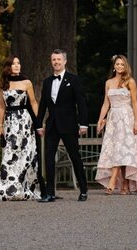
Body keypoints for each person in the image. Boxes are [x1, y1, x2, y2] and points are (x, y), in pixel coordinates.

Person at [37, 49, 89, 202]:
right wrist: (39, 124)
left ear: (65, 61)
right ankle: (50, 193)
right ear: (51, 61)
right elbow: (43, 105)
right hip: (52, 125)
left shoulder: (73, 80)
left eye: (59, 59)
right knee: (49, 159)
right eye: (54, 60)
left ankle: (84, 189)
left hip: (69, 125)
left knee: (75, 157)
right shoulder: (47, 82)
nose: (56, 62)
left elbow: (81, 103)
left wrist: (84, 123)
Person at [0, 55, 40, 201]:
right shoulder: (3, 84)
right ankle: (6, 187)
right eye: (14, 63)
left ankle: (24, 186)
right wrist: (0, 126)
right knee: (10, 154)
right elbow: (1, 107)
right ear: (8, 67)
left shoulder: (26, 82)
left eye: (19, 63)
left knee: (26, 152)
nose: (17, 65)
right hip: (9, 122)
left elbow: (34, 103)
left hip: (24, 120)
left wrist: (38, 122)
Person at [95, 55, 137, 194]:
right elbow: (106, 103)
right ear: (114, 66)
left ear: (125, 67)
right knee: (117, 150)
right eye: (117, 64)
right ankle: (124, 183)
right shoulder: (108, 82)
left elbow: (135, 103)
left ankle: (113, 181)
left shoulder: (130, 81)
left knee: (124, 150)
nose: (119, 66)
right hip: (113, 119)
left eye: (122, 64)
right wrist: (101, 119)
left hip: (126, 118)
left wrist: (136, 121)